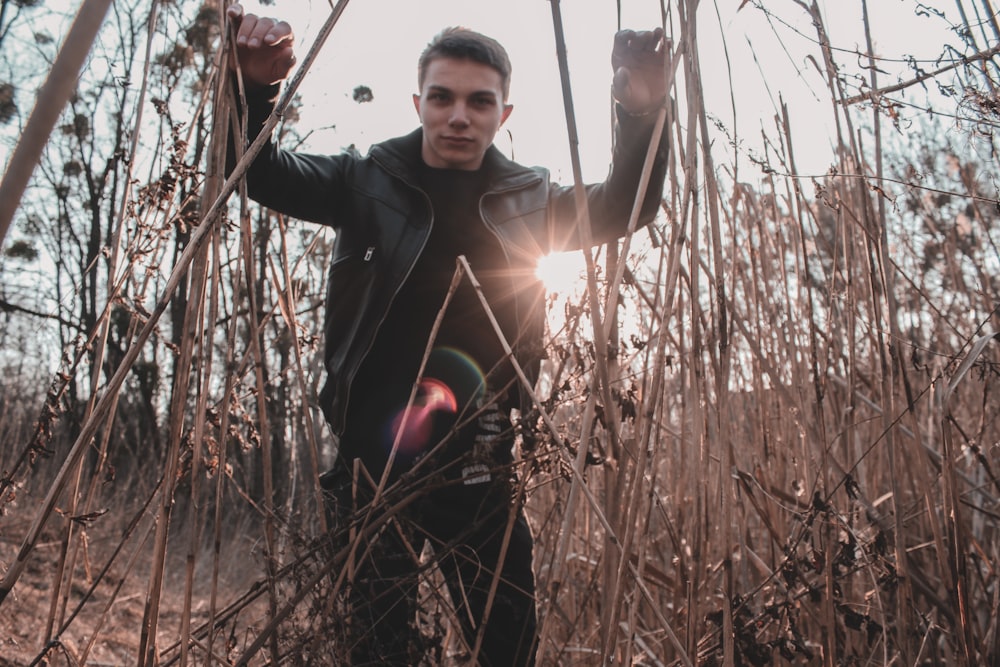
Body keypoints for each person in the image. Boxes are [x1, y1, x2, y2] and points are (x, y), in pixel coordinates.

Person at [226, 5, 669, 665]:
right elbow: (256, 172)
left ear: (503, 114)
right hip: (371, 463)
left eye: (479, 101)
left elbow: (621, 206)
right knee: (377, 648)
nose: (459, 115)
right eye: (443, 97)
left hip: (481, 466)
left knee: (507, 645)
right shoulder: (365, 182)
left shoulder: (531, 198)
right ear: (419, 101)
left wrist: (640, 113)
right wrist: (251, 88)